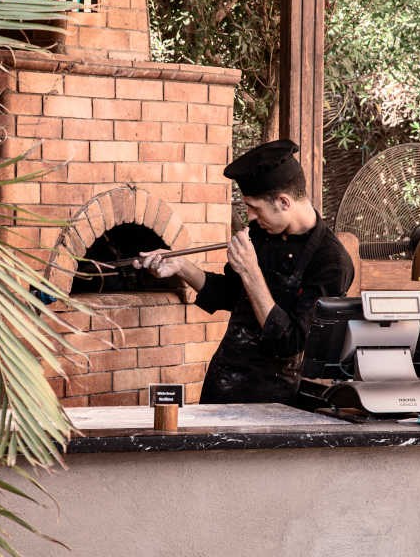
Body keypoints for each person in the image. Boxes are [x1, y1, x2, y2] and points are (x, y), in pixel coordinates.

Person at [134, 139, 355, 404]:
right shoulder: (261, 234)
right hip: (221, 384)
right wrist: (181, 266)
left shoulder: (331, 262)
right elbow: (231, 294)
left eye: (255, 208)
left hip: (272, 401)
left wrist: (251, 271)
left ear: (284, 202)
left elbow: (290, 342)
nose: (250, 217)